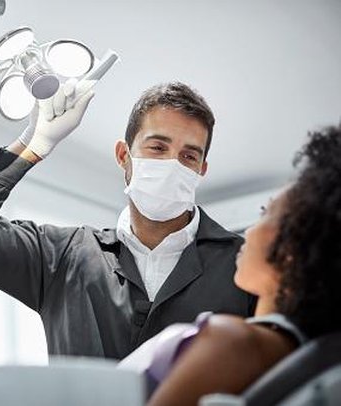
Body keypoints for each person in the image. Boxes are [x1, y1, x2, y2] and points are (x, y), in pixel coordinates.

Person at [0, 81, 255, 360]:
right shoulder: (61, 257)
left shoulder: (246, 266)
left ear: (201, 171)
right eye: (157, 147)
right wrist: (34, 144)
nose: (172, 164)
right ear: (124, 156)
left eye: (188, 155)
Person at [119, 124, 341, 405]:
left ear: (291, 250)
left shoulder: (235, 342)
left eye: (266, 212)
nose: (247, 231)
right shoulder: (299, 352)